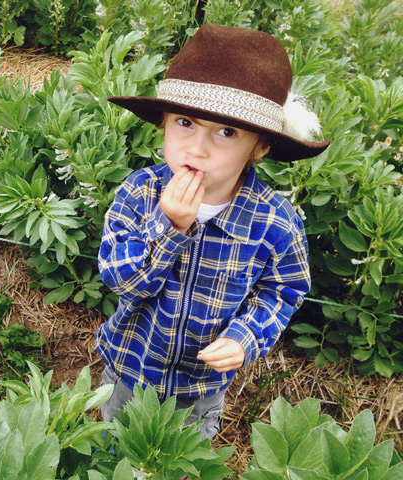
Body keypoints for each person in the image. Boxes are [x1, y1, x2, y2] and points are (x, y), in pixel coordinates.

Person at [95, 23, 330, 440]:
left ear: (259, 148)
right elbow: (121, 282)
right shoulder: (139, 193)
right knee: (116, 448)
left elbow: (282, 291)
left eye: (226, 132)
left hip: (198, 389)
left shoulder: (276, 222)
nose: (197, 148)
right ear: (163, 124)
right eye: (184, 122)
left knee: (178, 458)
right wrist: (169, 228)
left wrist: (246, 336)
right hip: (130, 369)